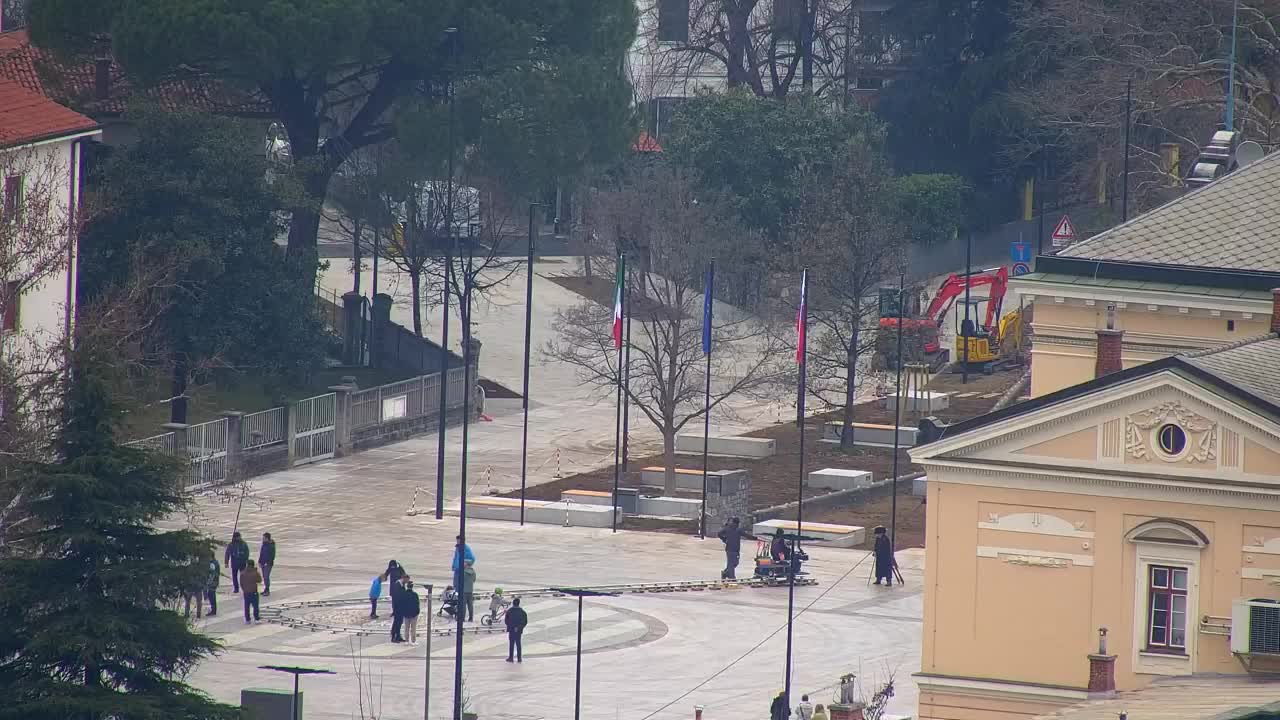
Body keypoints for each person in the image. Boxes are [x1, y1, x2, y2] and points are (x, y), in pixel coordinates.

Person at [505, 596, 528, 662]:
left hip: (511, 630)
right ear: (519, 603)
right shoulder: (522, 612)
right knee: (518, 644)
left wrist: (511, 626)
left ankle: (511, 657)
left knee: (511, 644)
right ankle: (519, 658)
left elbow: (506, 621)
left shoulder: (509, 611)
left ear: (513, 603)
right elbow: (525, 621)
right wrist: (519, 627)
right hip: (518, 630)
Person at [240, 559, 263, 623]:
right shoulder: (255, 573)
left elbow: (241, 583)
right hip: (253, 591)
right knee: (255, 606)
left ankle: (247, 619)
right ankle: (256, 619)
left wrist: (244, 589)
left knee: (246, 606)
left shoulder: (243, 573)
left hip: (246, 592)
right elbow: (259, 580)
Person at [403, 579, 422, 645]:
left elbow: (402, 604)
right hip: (414, 614)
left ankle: (406, 640)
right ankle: (413, 641)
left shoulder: (404, 594)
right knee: (413, 628)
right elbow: (417, 604)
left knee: (406, 628)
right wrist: (417, 612)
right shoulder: (415, 595)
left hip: (406, 614)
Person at [390, 574, 407, 642]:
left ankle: (398, 636)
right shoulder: (397, 585)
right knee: (397, 622)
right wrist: (395, 609)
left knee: (399, 622)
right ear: (403, 578)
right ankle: (394, 636)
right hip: (398, 608)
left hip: (400, 607)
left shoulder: (401, 585)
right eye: (406, 580)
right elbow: (396, 598)